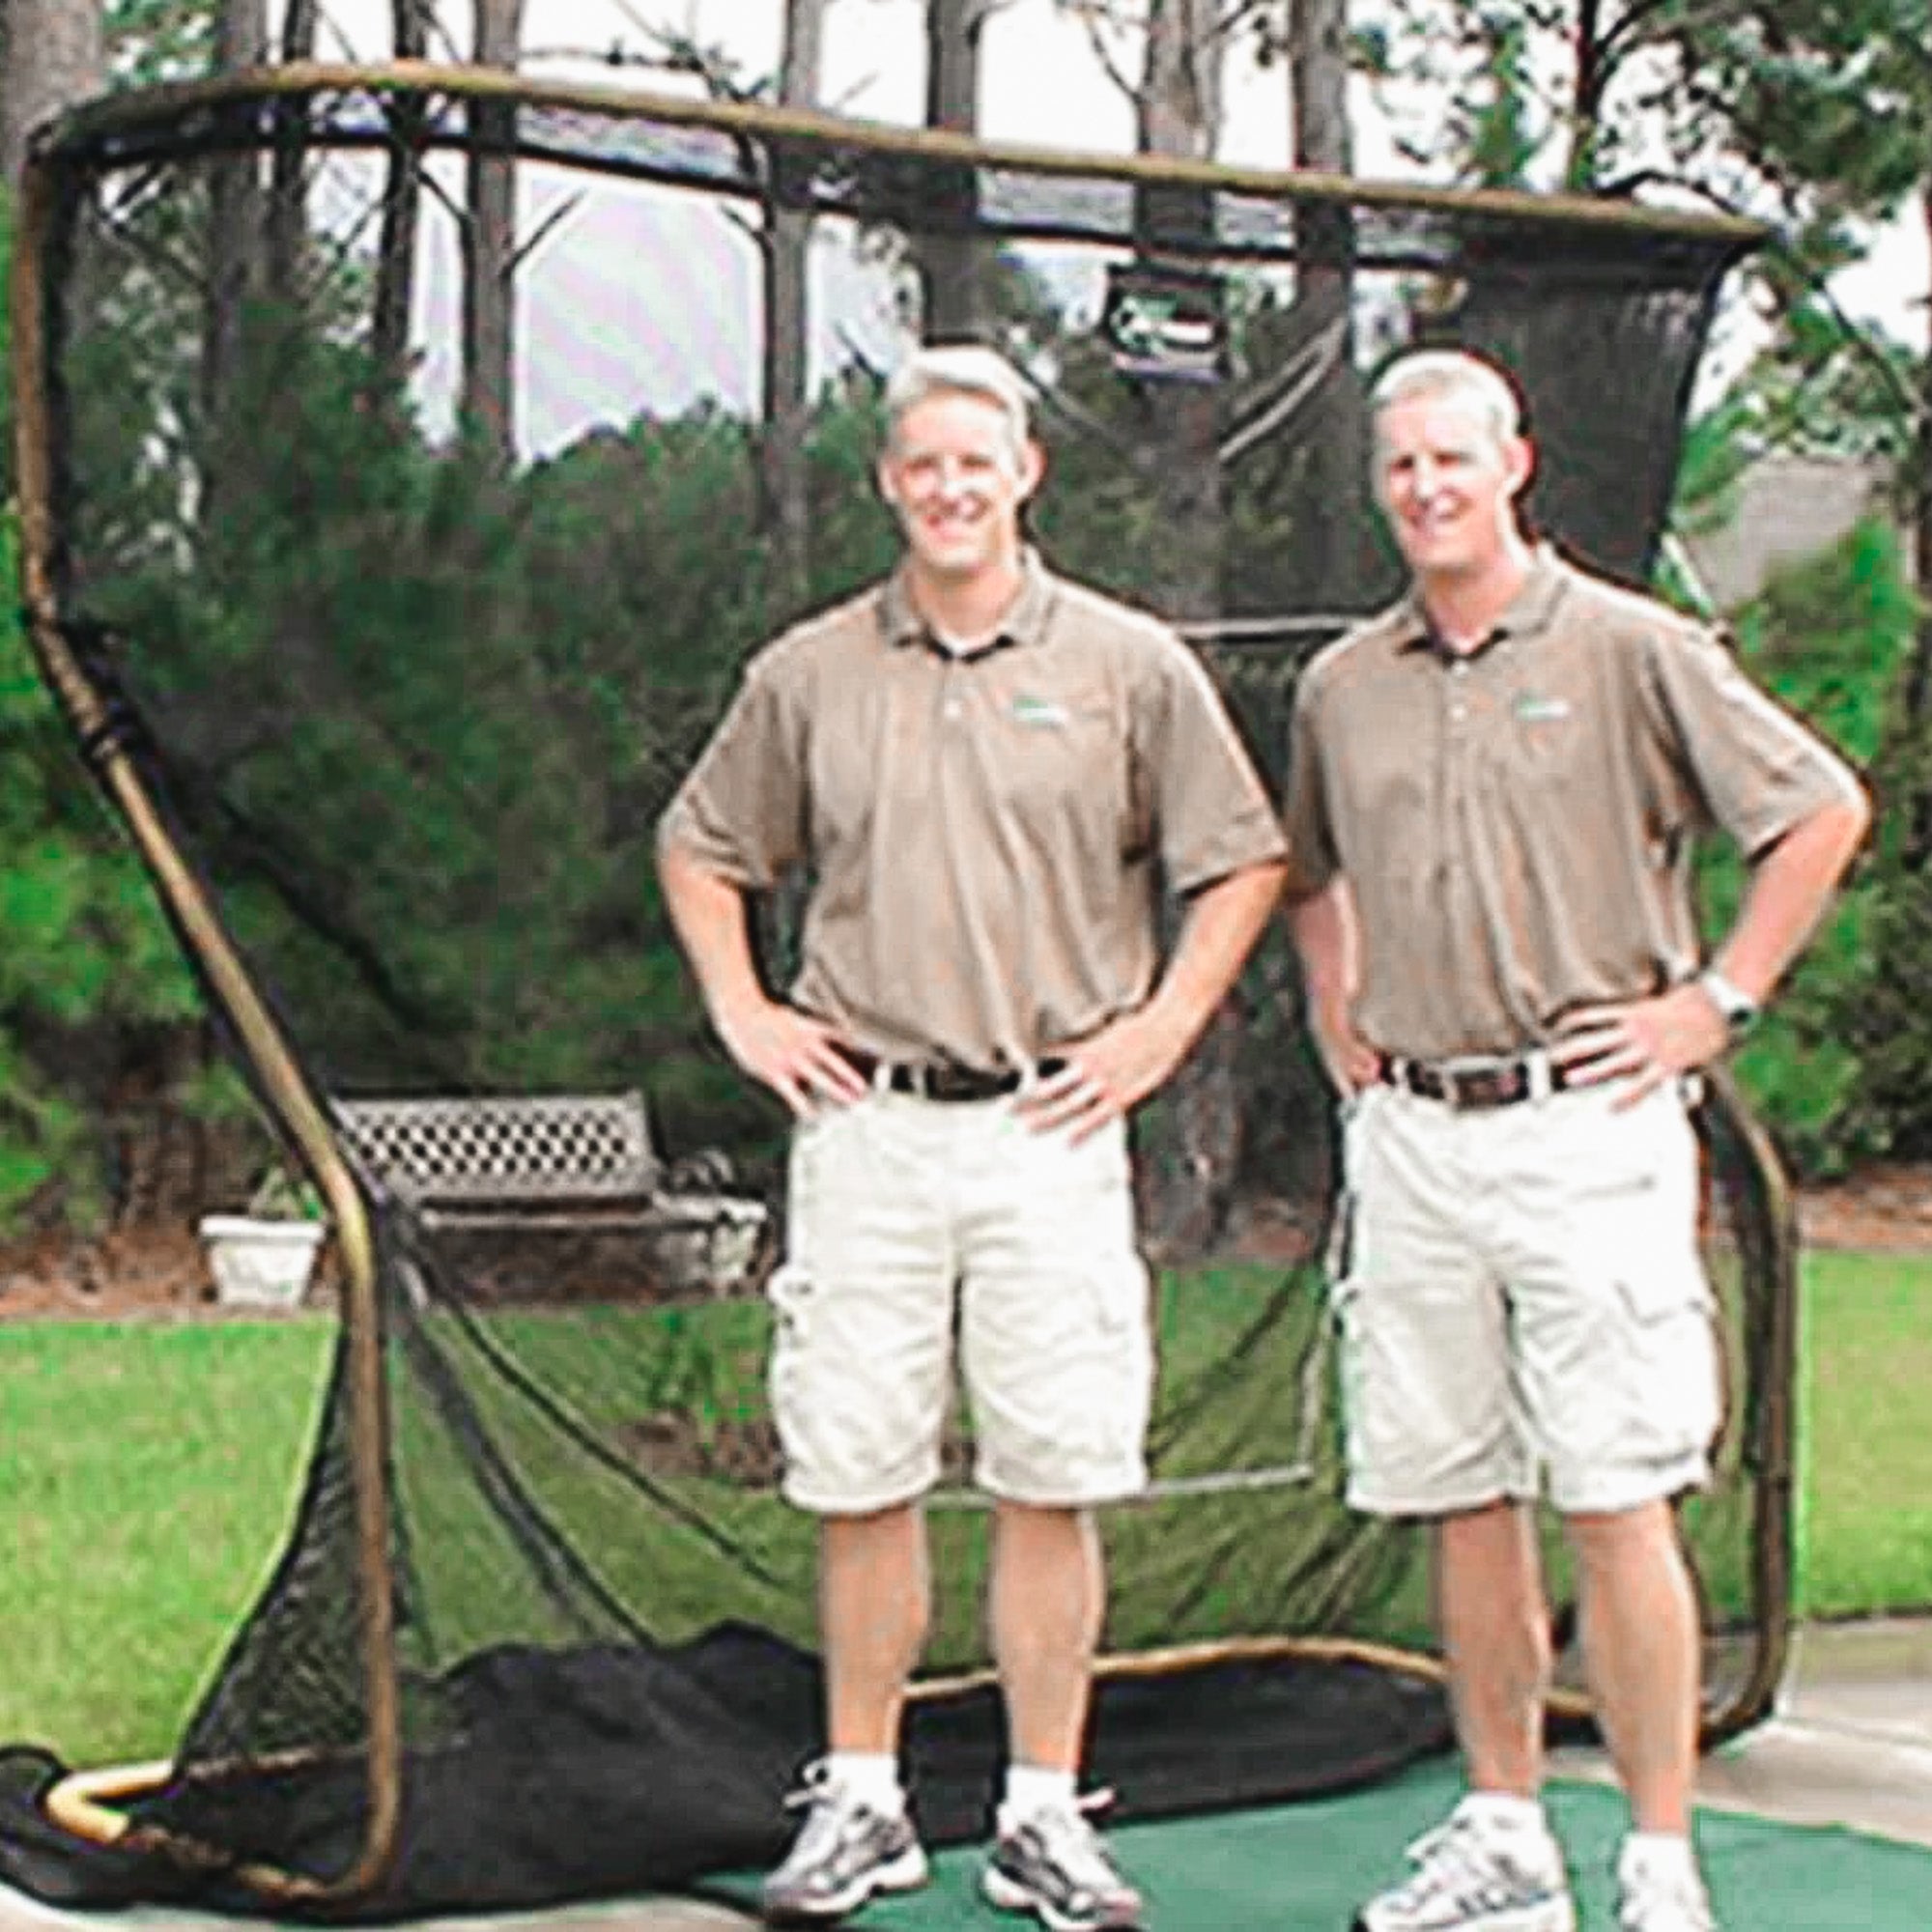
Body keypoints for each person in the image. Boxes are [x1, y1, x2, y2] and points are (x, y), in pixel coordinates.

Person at [656, 343, 1288, 1930]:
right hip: (866, 1125)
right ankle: (862, 1803)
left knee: (1049, 1474)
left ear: (1026, 475)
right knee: (860, 1470)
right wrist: (744, 1012)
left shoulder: (1130, 664)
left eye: (977, 463)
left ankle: (1044, 1817)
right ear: (890, 483)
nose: (951, 488)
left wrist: (1157, 1034)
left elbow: (1243, 859)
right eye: (922, 464)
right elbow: (701, 843)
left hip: (1049, 1134)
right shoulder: (810, 673)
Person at [1280, 347, 1869, 1932]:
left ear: (1515, 464)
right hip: (1413, 1140)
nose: (1425, 490)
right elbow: (1306, 874)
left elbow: (1819, 810)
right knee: (1464, 1499)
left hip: (1590, 1130)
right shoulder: (1344, 684)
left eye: (1451, 462)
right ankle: (1504, 1842)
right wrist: (1345, 1028)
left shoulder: (1630, 646)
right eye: (1400, 466)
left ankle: (1661, 1864)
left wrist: (1720, 1000)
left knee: (1616, 1496)